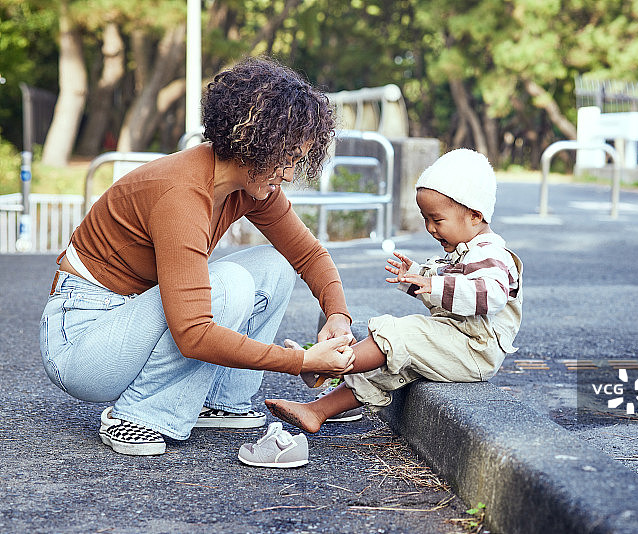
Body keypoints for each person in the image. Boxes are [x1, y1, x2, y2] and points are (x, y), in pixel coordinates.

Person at [39, 56, 357, 457]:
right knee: (228, 285)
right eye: (285, 158)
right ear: (253, 142)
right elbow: (193, 333)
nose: (290, 175)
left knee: (275, 266)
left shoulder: (251, 185)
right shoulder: (181, 194)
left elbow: (308, 255)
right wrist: (301, 360)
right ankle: (138, 416)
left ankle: (224, 401)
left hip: (132, 317)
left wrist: (338, 317)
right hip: (82, 343)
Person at [258, 148, 523, 437]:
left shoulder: (492, 253)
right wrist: (416, 278)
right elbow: (453, 293)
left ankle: (327, 365)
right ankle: (316, 411)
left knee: (399, 333)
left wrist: (435, 285)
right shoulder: (467, 250)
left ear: (474, 215)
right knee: (385, 368)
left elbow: (491, 295)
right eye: (425, 219)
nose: (430, 229)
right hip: (459, 342)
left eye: (437, 220)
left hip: (475, 350)